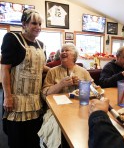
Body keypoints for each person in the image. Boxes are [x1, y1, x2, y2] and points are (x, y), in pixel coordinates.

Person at [1, 8, 49, 148]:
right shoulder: (12, 39)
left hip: (35, 100)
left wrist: (57, 71)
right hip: (16, 100)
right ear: (24, 24)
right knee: (17, 140)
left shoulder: (42, 45)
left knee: (33, 139)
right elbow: (5, 68)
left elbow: (39, 67)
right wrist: (7, 97)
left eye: (40, 24)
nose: (38, 27)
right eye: (34, 23)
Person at [38, 43, 96, 148]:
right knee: (57, 128)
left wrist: (82, 84)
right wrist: (61, 84)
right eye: (62, 51)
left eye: (67, 50)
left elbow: (94, 90)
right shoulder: (52, 71)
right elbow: (44, 93)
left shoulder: (83, 71)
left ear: (74, 55)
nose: (63, 52)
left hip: (80, 108)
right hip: (56, 110)